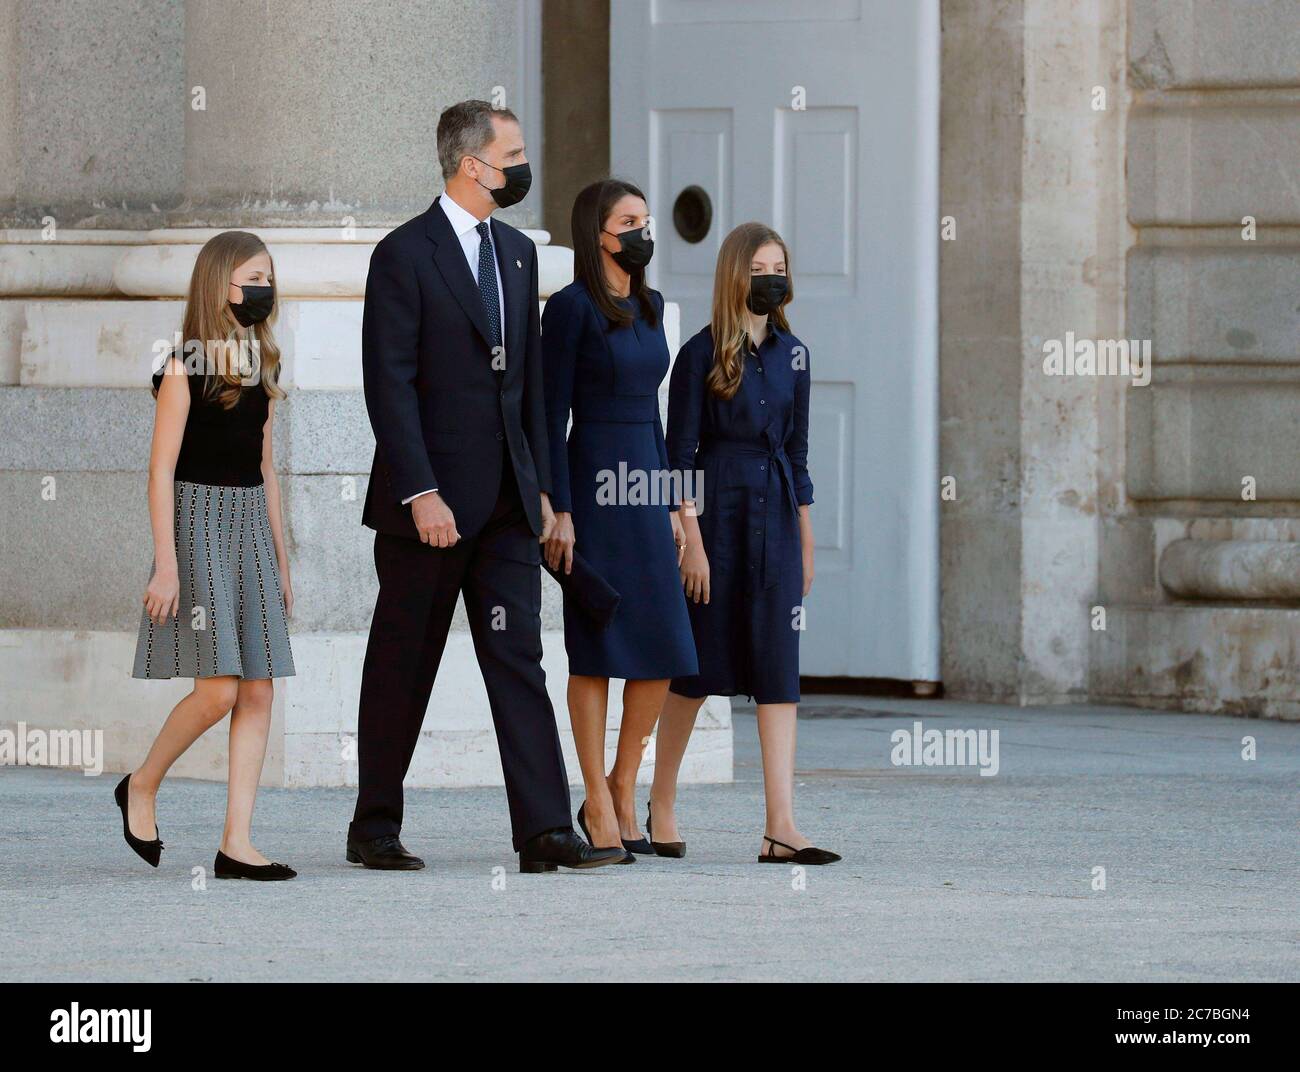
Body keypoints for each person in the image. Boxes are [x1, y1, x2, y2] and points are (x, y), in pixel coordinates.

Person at [348, 99, 624, 874]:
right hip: (427, 512)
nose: (522, 167)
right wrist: (420, 491)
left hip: (506, 505)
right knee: (404, 664)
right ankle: (374, 826)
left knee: (517, 659)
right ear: (473, 164)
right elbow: (389, 385)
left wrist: (542, 490)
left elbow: (528, 384)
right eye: (514, 153)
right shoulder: (404, 255)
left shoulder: (516, 252)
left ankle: (543, 831)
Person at [652, 222, 840, 865]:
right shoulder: (700, 354)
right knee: (697, 670)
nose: (772, 276)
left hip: (779, 521)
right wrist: (692, 543)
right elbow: (679, 458)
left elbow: (799, 452)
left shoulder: (796, 356)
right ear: (737, 274)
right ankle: (661, 802)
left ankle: (781, 825)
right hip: (717, 519)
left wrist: (808, 541)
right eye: (760, 266)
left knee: (778, 672)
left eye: (779, 266)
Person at [119, 230, 298, 881]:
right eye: (253, 275)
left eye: (268, 276)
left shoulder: (263, 363)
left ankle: (237, 843)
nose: (263, 287)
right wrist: (165, 562)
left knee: (258, 688)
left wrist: (280, 559)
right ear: (219, 282)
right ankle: (141, 783)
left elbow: (266, 467)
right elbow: (159, 470)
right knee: (218, 689)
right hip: (196, 526)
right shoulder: (182, 365)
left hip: (249, 525)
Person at [542, 179, 697, 861]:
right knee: (599, 646)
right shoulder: (571, 310)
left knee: (663, 645)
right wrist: (559, 508)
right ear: (598, 233)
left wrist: (675, 507)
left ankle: (622, 781)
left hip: (645, 476)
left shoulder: (654, 304)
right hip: (592, 481)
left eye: (644, 220)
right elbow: (547, 416)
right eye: (627, 221)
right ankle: (596, 800)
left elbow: (658, 415)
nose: (641, 231)